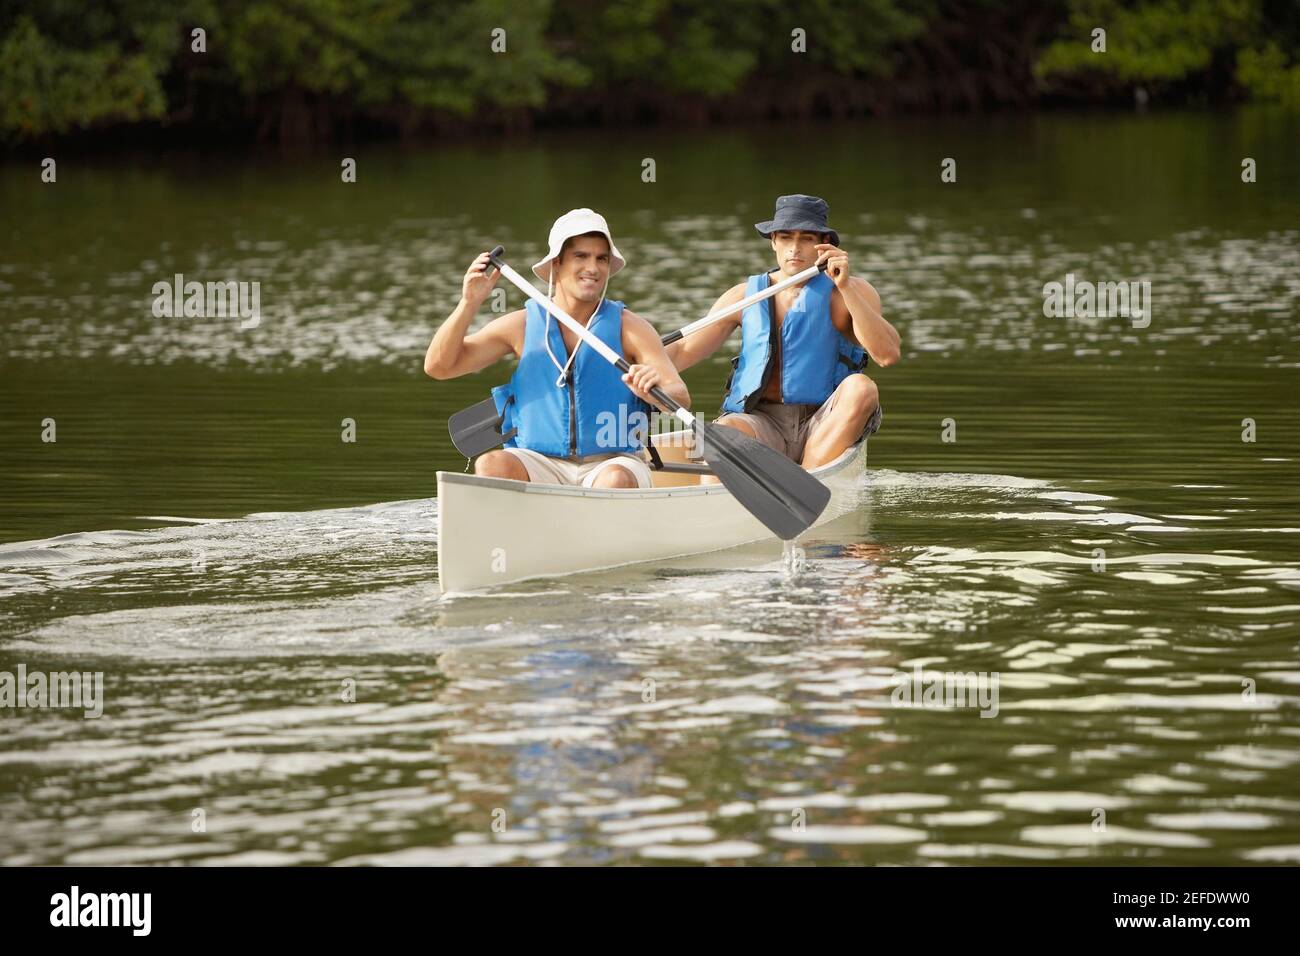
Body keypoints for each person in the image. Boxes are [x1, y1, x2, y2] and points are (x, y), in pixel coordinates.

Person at [424, 209, 689, 488]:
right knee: (490, 465)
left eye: (601, 258)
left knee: (615, 480)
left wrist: (655, 391)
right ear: (556, 265)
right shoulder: (522, 325)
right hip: (538, 461)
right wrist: (469, 304)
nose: (593, 268)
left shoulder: (631, 327)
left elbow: (680, 396)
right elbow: (440, 367)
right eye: (581, 256)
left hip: (613, 460)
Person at [666, 194, 900, 468]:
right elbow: (682, 350)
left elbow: (887, 354)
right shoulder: (744, 296)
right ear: (774, 241)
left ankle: (808, 479)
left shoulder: (850, 291)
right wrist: (635, 362)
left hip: (825, 421)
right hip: (761, 422)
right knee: (721, 436)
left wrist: (846, 287)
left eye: (806, 238)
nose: (795, 248)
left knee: (862, 388)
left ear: (824, 245)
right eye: (786, 237)